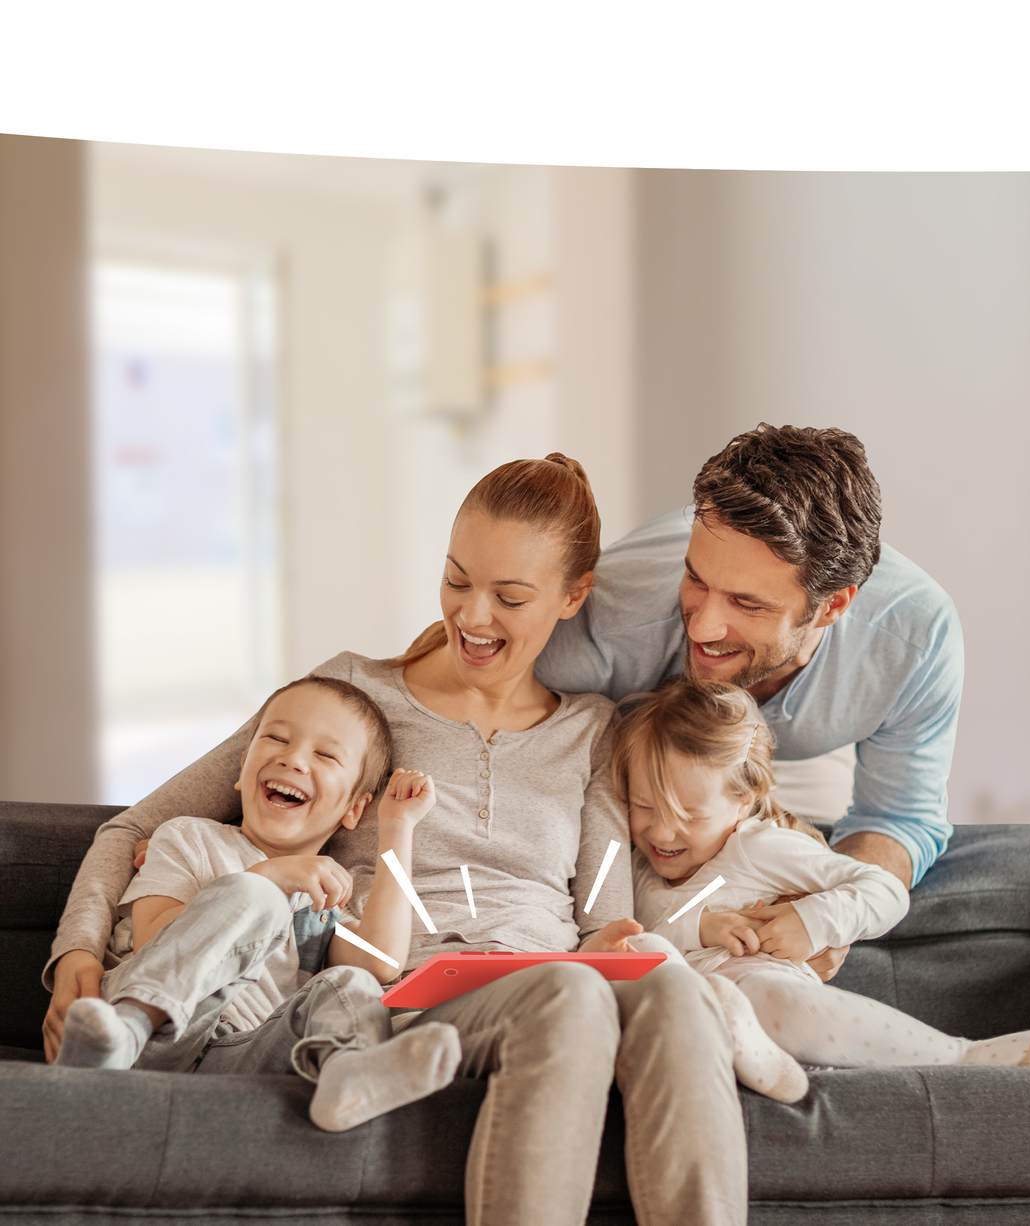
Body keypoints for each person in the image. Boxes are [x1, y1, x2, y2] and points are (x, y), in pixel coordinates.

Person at [45, 455, 750, 1226]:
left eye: (510, 597)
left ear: (571, 597)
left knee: (672, 989)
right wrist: (78, 953)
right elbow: (136, 827)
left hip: (550, 972)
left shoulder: (592, 728)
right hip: (408, 1000)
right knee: (573, 991)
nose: (473, 617)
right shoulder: (352, 696)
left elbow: (600, 919)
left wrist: (629, 937)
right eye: (456, 581)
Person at [536, 424, 964, 986]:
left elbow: (898, 816)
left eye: (746, 602)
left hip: (807, 752)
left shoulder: (914, 639)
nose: (705, 624)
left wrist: (823, 917)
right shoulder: (601, 627)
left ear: (832, 606)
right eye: (696, 579)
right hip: (648, 771)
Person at [608, 675, 1030, 1104]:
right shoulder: (632, 863)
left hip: (756, 987)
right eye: (644, 807)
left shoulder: (759, 847)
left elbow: (883, 889)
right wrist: (702, 927)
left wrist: (811, 922)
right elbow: (633, 925)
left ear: (743, 801)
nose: (662, 833)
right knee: (640, 948)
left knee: (768, 994)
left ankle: (960, 1054)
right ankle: (746, 1049)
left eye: (688, 816)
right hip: (679, 1016)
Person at [57, 676, 466, 1133]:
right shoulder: (188, 836)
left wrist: (397, 827)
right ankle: (121, 1036)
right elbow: (154, 936)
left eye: (325, 754)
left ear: (354, 809)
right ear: (241, 768)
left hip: (239, 1058)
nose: (292, 758)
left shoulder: (325, 896)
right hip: (157, 1035)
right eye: (276, 738)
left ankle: (348, 1072)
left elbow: (382, 961)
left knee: (352, 983)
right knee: (253, 897)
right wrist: (268, 878)